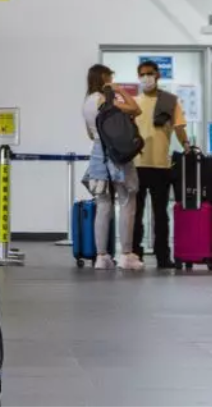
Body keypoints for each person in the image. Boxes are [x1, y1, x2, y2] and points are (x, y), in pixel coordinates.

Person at [81, 65, 144, 271]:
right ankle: (126, 254)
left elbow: (91, 134)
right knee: (127, 203)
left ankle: (101, 256)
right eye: (110, 76)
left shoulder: (87, 102)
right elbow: (135, 108)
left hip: (97, 155)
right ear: (104, 77)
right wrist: (118, 89)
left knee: (103, 205)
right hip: (117, 155)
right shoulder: (105, 100)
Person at [132, 60, 190, 269]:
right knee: (135, 214)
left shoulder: (170, 101)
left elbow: (179, 127)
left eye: (149, 73)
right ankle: (135, 254)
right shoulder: (134, 102)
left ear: (157, 75)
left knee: (160, 215)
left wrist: (187, 145)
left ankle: (163, 256)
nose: (146, 77)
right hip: (137, 165)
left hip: (161, 166)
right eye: (142, 74)